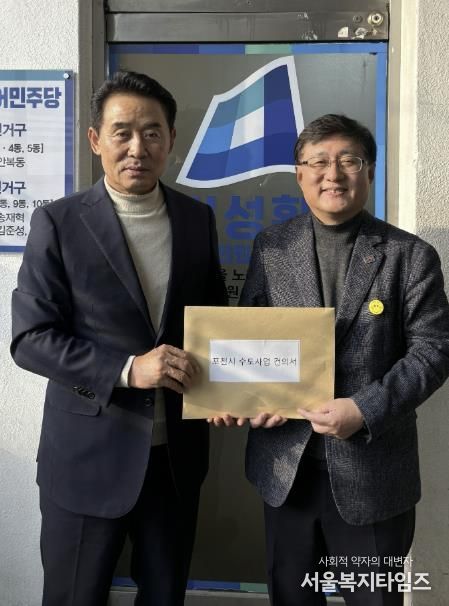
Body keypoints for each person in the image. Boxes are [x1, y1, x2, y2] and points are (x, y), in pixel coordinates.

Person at [10, 70, 227, 606]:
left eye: (152, 132)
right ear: (95, 139)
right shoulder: (58, 222)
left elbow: (215, 322)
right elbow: (30, 339)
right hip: (86, 458)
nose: (137, 147)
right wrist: (129, 369)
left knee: (165, 597)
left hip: (174, 462)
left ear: (171, 139)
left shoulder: (196, 219)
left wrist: (234, 388)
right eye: (122, 132)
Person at [215, 114, 449, 605]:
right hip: (286, 469)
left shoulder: (410, 256)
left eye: (349, 161)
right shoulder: (272, 247)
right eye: (318, 162)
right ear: (299, 174)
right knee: (293, 596)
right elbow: (251, 338)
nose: (333, 174)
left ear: (370, 171)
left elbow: (433, 350)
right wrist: (250, 396)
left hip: (372, 473)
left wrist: (364, 408)